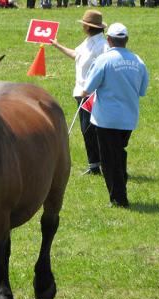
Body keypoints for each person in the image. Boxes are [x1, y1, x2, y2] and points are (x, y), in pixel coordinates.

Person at [81, 23, 149, 208]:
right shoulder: (138, 61)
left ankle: (119, 199)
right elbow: (142, 90)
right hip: (128, 119)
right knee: (118, 153)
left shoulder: (103, 60)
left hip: (106, 119)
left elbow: (88, 88)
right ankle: (120, 187)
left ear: (109, 40)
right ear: (126, 40)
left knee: (109, 161)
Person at [51, 10, 108, 175]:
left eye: (84, 24)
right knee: (86, 129)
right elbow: (77, 55)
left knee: (92, 129)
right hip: (81, 92)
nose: (83, 26)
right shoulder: (88, 42)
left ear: (88, 27)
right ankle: (94, 164)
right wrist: (57, 45)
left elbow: (105, 68)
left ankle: (101, 164)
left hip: (92, 93)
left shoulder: (102, 46)